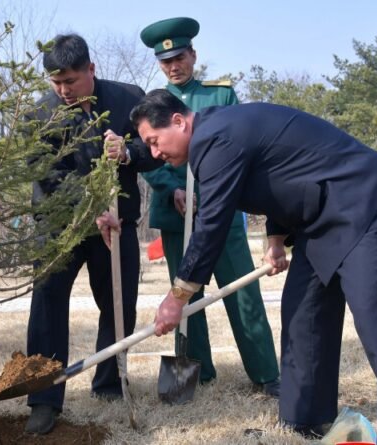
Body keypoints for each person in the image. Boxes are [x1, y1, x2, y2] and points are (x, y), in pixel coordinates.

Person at [104, 89, 377, 444]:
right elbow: (282, 173)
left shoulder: (214, 138)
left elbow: (212, 225)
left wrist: (177, 297)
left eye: (154, 140)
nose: (154, 152)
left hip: (362, 200)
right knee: (303, 313)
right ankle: (305, 420)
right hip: (317, 217)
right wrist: (275, 240)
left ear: (179, 121)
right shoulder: (217, 134)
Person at [24, 34, 162, 435]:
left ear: (91, 69)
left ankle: (109, 383)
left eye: (71, 81)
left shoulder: (128, 99)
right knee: (47, 306)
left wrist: (130, 152)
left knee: (119, 304)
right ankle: (43, 398)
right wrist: (91, 208)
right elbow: (46, 174)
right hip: (59, 227)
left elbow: (154, 149)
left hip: (119, 226)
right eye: (56, 83)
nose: (63, 91)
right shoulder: (40, 114)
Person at [139, 17, 279, 395]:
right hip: (176, 216)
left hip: (225, 213)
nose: (174, 66)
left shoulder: (221, 96)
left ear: (193, 55)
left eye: (179, 57)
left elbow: (240, 145)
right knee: (185, 297)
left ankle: (266, 374)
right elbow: (148, 158)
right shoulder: (151, 106)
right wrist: (172, 190)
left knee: (242, 295)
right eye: (165, 61)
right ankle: (194, 375)